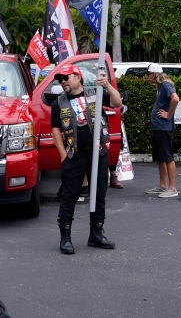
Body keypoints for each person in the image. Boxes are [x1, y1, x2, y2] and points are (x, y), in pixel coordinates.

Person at [51, 65, 122, 255]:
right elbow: (56, 130)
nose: (63, 81)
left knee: (99, 194)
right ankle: (65, 237)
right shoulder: (58, 103)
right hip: (74, 154)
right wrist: (63, 155)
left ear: (78, 77)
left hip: (97, 152)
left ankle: (96, 234)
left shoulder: (96, 93)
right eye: (60, 79)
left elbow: (117, 103)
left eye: (66, 77)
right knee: (69, 195)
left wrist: (107, 85)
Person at [146, 63, 180, 198]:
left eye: (148, 74)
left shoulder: (166, 85)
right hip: (158, 127)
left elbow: (175, 99)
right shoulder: (161, 86)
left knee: (167, 157)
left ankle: (172, 188)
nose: (147, 77)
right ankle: (162, 185)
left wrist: (168, 114)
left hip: (164, 128)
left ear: (154, 74)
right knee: (161, 158)